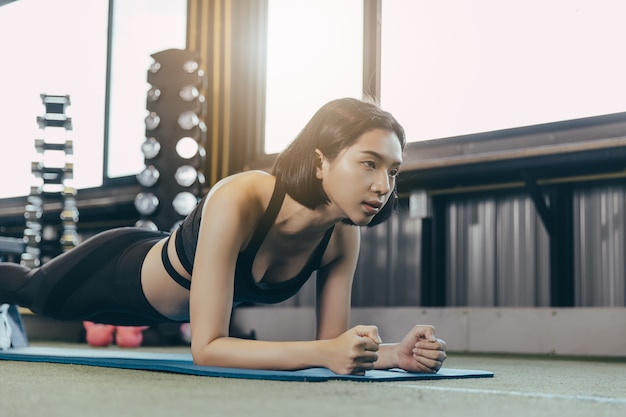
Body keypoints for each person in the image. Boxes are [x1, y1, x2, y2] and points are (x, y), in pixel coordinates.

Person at [0, 97, 447, 375]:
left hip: (150, 315)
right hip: (116, 269)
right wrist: (328, 351)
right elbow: (208, 348)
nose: (383, 186)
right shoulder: (242, 196)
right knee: (26, 288)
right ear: (320, 162)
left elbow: (330, 347)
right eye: (368, 163)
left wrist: (392, 355)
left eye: (393, 171)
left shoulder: (341, 239)